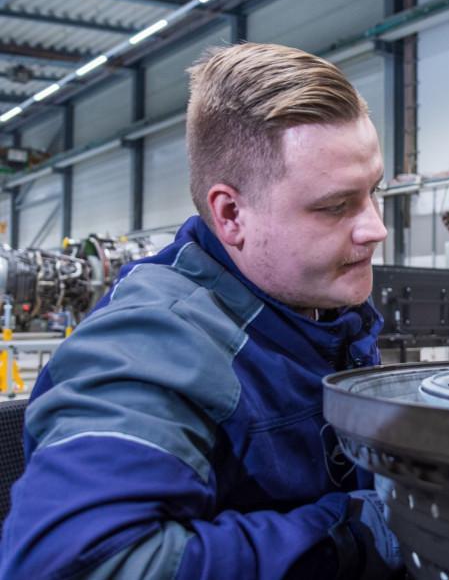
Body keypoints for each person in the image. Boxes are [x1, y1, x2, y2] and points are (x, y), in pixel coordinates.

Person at [0, 43, 403, 578]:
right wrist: (352, 534)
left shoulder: (314, 308)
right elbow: (75, 566)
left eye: (373, 193)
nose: (375, 228)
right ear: (231, 213)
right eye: (335, 206)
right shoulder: (155, 344)